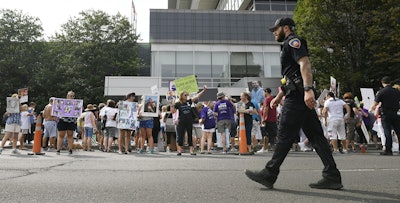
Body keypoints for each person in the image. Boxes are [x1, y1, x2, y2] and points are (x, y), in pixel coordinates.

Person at [245, 18, 343, 190]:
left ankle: (269, 173)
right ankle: (332, 175)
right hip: (296, 94)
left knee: (284, 134)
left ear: (286, 28)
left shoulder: (293, 42)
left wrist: (308, 89)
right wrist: (278, 96)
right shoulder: (287, 45)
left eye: (276, 29)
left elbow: (304, 63)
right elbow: (292, 76)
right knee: (316, 137)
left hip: (298, 97)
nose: (274, 32)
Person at [369, 76, 400, 155]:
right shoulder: (396, 91)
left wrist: (371, 109)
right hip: (395, 113)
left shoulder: (382, 92)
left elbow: (376, 103)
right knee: (398, 131)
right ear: (390, 82)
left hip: (386, 114)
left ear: (382, 83)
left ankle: (388, 150)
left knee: (387, 132)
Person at [172, 86, 206, 156]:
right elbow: (173, 111)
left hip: (189, 121)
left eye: (187, 95)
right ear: (181, 96)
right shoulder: (178, 103)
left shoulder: (189, 102)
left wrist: (203, 91)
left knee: (190, 135)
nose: (187, 96)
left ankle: (191, 151)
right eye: (185, 95)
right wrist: (172, 103)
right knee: (180, 136)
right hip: (181, 121)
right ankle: (179, 150)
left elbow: (197, 96)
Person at [56, 91, 78, 155]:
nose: (72, 97)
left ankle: (70, 149)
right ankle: (58, 149)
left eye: (73, 96)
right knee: (61, 135)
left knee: (70, 135)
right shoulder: (63, 103)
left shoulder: (76, 103)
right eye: (71, 96)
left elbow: (78, 111)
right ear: (67, 96)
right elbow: (58, 110)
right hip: (63, 120)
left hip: (72, 121)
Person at [259, 88, 278, 153]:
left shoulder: (267, 99)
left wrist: (263, 118)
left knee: (265, 134)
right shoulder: (273, 98)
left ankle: (265, 148)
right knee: (273, 134)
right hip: (273, 119)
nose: (263, 94)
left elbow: (265, 109)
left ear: (266, 92)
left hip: (268, 119)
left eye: (263, 92)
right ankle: (275, 147)